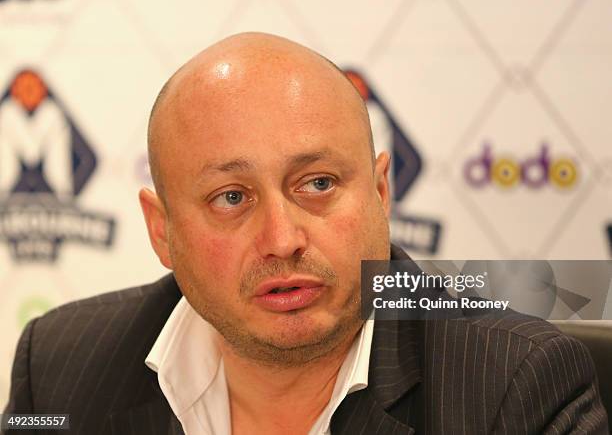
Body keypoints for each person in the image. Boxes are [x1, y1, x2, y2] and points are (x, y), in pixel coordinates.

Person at [3, 32, 608, 435]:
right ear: (163, 231)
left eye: (317, 184)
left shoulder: (516, 386)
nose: (282, 237)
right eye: (231, 198)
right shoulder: (57, 370)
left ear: (379, 193)